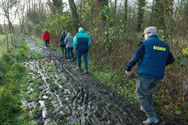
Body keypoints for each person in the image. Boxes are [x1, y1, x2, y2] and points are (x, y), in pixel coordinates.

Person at [125, 26, 174, 125]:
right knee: (149, 93)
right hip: (158, 75)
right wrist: (159, 65)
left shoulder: (145, 44)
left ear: (148, 33)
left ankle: (152, 117)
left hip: (146, 74)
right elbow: (171, 60)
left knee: (140, 95)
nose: (144, 37)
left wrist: (128, 68)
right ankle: (145, 108)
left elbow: (135, 57)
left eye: (145, 35)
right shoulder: (165, 45)